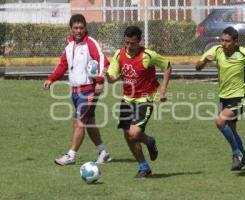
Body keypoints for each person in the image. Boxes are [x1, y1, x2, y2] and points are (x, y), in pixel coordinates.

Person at [195, 26, 245, 171]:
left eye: (227, 41)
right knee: (232, 130)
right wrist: (205, 61)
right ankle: (244, 156)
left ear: (235, 42)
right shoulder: (216, 50)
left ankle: (236, 154)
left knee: (220, 121)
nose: (223, 44)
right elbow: (197, 67)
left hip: (240, 97)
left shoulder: (244, 52)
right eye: (222, 40)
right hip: (224, 97)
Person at [43, 14, 112, 166]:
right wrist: (51, 79)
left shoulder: (91, 43)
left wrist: (100, 81)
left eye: (81, 28)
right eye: (76, 28)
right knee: (89, 122)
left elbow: (103, 61)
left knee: (80, 122)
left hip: (89, 91)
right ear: (71, 28)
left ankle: (71, 155)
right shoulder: (69, 44)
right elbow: (63, 64)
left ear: (85, 28)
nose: (79, 31)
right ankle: (103, 152)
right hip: (75, 91)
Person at [106, 26, 172, 177]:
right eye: (127, 43)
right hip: (127, 98)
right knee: (127, 135)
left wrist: (163, 89)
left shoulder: (148, 55)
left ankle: (149, 141)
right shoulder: (119, 54)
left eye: (133, 43)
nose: (129, 46)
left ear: (139, 42)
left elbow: (167, 66)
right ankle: (143, 166)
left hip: (145, 98)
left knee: (134, 134)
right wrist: (108, 77)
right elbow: (113, 77)